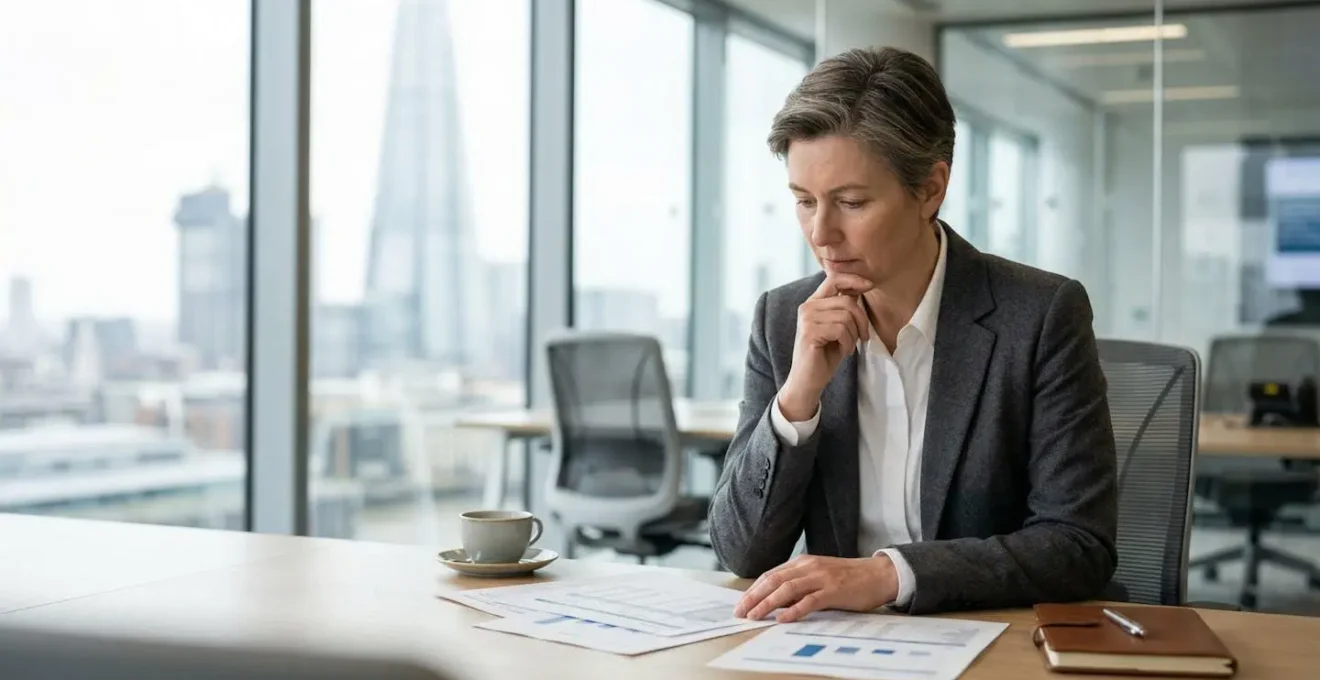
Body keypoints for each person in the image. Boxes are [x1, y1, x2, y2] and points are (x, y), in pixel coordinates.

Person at [709, 46, 1118, 619]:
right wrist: (797, 400)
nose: (821, 233)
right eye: (804, 202)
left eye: (851, 202)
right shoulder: (783, 319)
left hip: (988, 637)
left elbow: (1078, 545)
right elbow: (741, 552)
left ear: (930, 189)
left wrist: (888, 575)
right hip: (836, 646)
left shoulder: (1042, 314)